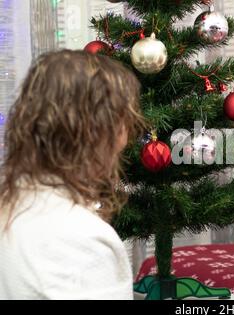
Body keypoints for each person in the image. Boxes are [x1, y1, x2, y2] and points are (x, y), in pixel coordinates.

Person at [0, 50, 145, 299]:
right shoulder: (85, 239)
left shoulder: (10, 197)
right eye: (122, 122)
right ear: (96, 133)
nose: (126, 138)